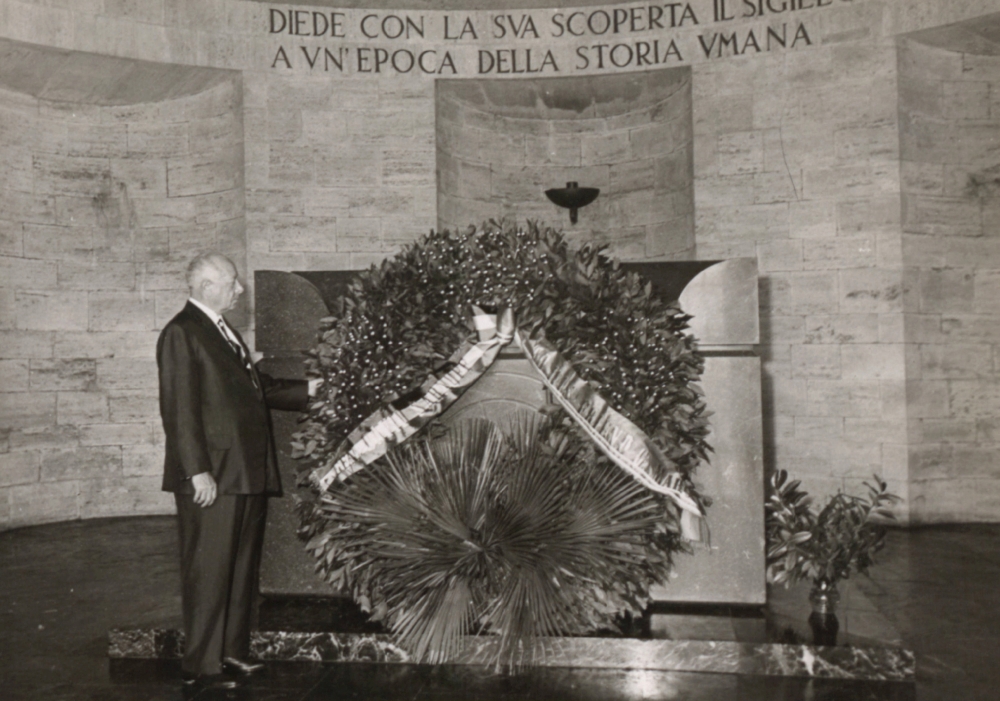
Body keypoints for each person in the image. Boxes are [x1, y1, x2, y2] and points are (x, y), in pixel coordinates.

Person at [157, 253, 315, 690]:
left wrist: (317, 389)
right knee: (210, 568)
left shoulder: (222, 331)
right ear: (207, 286)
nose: (240, 289)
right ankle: (201, 666)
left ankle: (231, 651)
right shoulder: (181, 332)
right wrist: (197, 472)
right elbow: (179, 410)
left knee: (240, 568)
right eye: (233, 281)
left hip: (244, 470)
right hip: (213, 477)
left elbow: (257, 389)